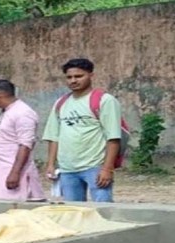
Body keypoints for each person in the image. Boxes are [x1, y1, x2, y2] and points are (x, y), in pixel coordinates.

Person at [43, 58, 122, 202]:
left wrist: (107, 169)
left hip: (95, 167)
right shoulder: (61, 103)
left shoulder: (104, 100)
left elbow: (113, 138)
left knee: (103, 210)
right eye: (69, 77)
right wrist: (50, 164)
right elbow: (54, 137)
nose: (73, 80)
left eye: (79, 76)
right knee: (74, 211)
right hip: (67, 169)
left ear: (91, 75)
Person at [0, 80, 45, 201]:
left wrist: (15, 173)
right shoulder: (8, 111)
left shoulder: (23, 113)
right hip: (1, 170)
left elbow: (25, 145)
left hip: (13, 171)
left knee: (16, 208)